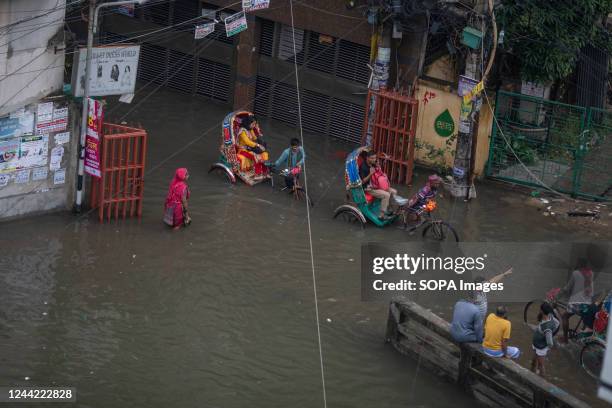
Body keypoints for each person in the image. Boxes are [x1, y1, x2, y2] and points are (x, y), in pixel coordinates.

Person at [560, 258, 594, 343]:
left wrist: (559, 294)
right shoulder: (590, 273)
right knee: (585, 318)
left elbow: (568, 288)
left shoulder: (575, 273)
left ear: (579, 264)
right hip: (587, 304)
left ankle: (565, 339)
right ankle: (584, 339)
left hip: (576, 303)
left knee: (565, 316)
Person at [358, 150, 397, 220]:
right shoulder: (363, 167)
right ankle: (381, 216)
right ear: (367, 158)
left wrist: (380, 166)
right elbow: (362, 182)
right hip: (368, 188)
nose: (374, 160)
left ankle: (389, 210)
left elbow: (379, 173)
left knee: (394, 192)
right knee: (386, 195)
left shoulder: (373, 163)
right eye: (372, 158)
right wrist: (370, 174)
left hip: (376, 185)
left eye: (375, 158)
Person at [531, 302, 559, 376]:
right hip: (536, 344)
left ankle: (541, 380)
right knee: (534, 361)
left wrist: (548, 347)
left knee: (541, 366)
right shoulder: (550, 316)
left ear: (542, 311)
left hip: (541, 347)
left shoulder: (547, 328)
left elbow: (550, 342)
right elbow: (557, 323)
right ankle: (532, 373)